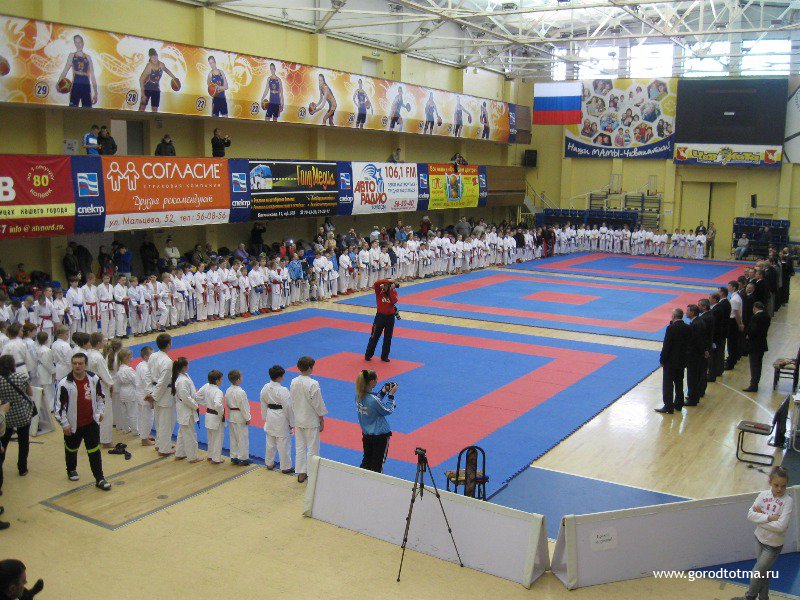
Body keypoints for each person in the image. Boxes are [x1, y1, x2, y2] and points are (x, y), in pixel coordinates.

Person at [55, 353, 111, 490]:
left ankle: (100, 478)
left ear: (85, 365)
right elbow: (58, 407)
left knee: (94, 451)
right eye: (74, 363)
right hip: (72, 425)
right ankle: (71, 469)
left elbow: (100, 397)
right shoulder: (64, 383)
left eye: (80, 363)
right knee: (71, 449)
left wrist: (100, 412)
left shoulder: (94, 379)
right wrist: (64, 424)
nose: (77, 366)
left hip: (91, 423)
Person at [740, 466, 792, 600]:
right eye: (776, 485)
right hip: (759, 539)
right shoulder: (763, 495)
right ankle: (764, 598)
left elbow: (781, 527)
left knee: (756, 574)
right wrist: (769, 518)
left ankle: (749, 597)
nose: (779, 489)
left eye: (783, 486)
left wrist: (760, 519)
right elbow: (750, 515)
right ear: (770, 482)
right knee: (764, 573)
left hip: (773, 546)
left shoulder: (788, 501)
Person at [290, 356, 327, 483]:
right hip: (311, 420)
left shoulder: (294, 381)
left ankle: (301, 473)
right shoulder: (313, 383)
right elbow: (318, 404)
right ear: (310, 368)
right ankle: (312, 474)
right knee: (313, 448)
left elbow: (292, 399)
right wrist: (321, 418)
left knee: (300, 447)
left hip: (298, 419)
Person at [0, 355, 33, 494]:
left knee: (3, 442)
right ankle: (22, 468)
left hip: (5, 415)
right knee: (24, 442)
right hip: (22, 413)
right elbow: (30, 392)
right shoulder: (21, 377)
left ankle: (0, 466)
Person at [355, 370, 397, 473]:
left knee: (366, 461)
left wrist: (383, 391)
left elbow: (374, 402)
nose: (377, 381)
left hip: (367, 435)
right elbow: (387, 410)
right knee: (377, 465)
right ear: (372, 381)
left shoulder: (358, 395)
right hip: (380, 436)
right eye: (376, 379)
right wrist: (391, 396)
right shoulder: (373, 400)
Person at [260, 365, 295, 474]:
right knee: (283, 443)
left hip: (270, 415)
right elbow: (288, 407)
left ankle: (269, 463)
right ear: (280, 377)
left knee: (270, 441)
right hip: (281, 417)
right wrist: (292, 422)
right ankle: (285, 467)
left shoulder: (265, 387)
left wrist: (264, 416)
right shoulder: (283, 390)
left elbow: (263, 402)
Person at [655, 308, 690, 414]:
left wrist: (662, 359)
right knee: (679, 383)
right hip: (682, 360)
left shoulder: (671, 328)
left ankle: (668, 406)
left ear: (674, 316)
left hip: (670, 361)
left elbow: (667, 346)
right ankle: (679, 404)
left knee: (668, 385)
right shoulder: (687, 327)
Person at [145, 333, 175, 456]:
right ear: (169, 345)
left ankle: (160, 443)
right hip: (164, 394)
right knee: (166, 423)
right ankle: (164, 449)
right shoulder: (167, 362)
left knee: (159, 421)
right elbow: (163, 382)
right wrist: (154, 396)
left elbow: (148, 374)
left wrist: (150, 391)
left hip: (155, 390)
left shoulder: (153, 356)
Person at [170, 357, 201, 463]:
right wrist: (195, 406)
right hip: (186, 409)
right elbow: (185, 397)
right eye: (187, 364)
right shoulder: (182, 381)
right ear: (184, 367)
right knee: (190, 434)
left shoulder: (184, 376)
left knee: (182, 432)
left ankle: (180, 453)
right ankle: (192, 457)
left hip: (185, 408)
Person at [364, 278, 398, 363]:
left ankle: (384, 356)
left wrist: (390, 290)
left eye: (388, 286)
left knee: (388, 338)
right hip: (380, 317)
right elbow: (376, 283)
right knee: (374, 336)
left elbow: (394, 301)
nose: (386, 287)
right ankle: (368, 354)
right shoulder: (379, 291)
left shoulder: (394, 292)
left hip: (390, 318)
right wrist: (388, 280)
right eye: (385, 285)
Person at [197, 369, 225, 464]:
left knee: (210, 437)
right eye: (221, 379)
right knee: (217, 438)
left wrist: (206, 404)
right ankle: (216, 458)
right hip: (216, 416)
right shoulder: (218, 392)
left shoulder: (206, 386)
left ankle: (210, 455)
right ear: (217, 381)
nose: (222, 381)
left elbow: (197, 397)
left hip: (208, 415)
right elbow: (217, 404)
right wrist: (221, 412)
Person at [225, 369, 251, 466]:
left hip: (232, 414)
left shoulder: (228, 390)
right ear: (238, 379)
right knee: (242, 438)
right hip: (240, 415)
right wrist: (247, 418)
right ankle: (243, 458)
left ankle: (234, 456)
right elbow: (244, 406)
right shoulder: (241, 392)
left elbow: (227, 403)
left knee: (233, 437)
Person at [743, 301, 771, 393]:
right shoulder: (766, 315)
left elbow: (753, 330)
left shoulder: (756, 317)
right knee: (758, 365)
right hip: (762, 343)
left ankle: (753, 385)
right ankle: (755, 383)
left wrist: (748, 335)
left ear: (755, 308)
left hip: (754, 344)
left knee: (754, 365)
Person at [685, 304, 707, 407]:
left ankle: (692, 398)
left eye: (687, 311)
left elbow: (696, 341)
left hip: (694, 355)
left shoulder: (696, 324)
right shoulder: (698, 322)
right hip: (697, 354)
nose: (686, 313)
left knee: (692, 377)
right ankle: (693, 396)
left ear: (692, 312)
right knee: (694, 377)